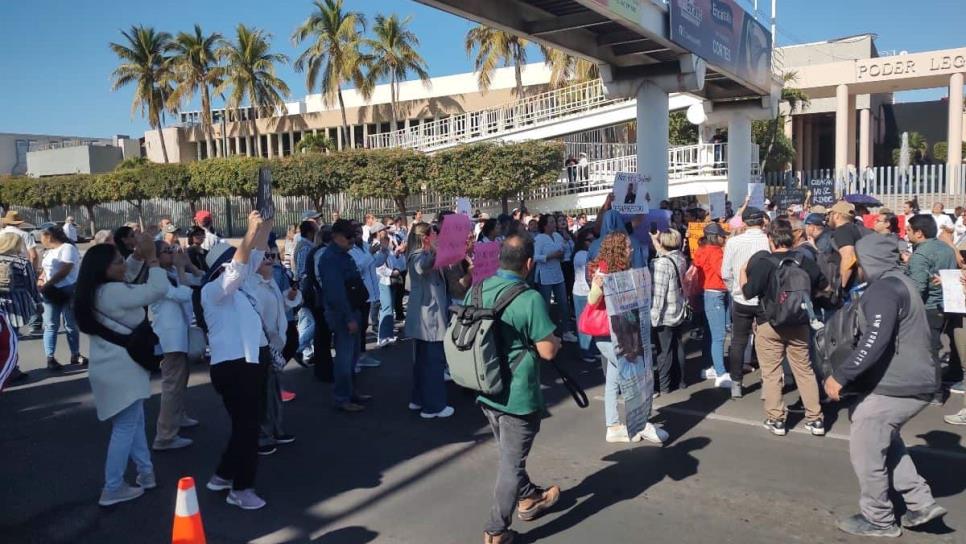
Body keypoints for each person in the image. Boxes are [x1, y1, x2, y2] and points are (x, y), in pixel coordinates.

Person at [824, 234, 947, 537]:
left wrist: (842, 375)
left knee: (866, 445)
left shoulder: (883, 290)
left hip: (900, 384)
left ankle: (878, 519)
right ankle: (920, 503)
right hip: (915, 381)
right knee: (882, 436)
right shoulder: (899, 282)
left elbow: (874, 340)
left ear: (869, 260)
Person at [477, 234, 562, 544]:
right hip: (518, 394)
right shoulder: (529, 298)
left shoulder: (481, 287)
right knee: (511, 464)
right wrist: (557, 341)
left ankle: (528, 498)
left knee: (510, 455)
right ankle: (495, 530)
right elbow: (548, 351)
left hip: (486, 387)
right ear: (528, 264)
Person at [74, 237, 170, 506]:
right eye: (118, 261)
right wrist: (152, 259)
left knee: (133, 423)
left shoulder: (96, 290)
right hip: (122, 369)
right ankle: (112, 487)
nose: (123, 265)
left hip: (111, 367)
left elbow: (128, 272)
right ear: (104, 268)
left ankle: (145, 473)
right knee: (126, 427)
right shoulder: (113, 292)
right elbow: (157, 289)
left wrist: (138, 256)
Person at [200, 211, 274, 510]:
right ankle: (240, 489)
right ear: (221, 266)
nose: (242, 263)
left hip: (251, 365)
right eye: (232, 260)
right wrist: (248, 232)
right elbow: (239, 265)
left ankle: (222, 476)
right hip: (234, 369)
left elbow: (254, 253)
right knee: (248, 429)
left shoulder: (242, 289)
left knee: (246, 426)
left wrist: (265, 221)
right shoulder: (211, 291)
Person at [741, 220, 828, 437]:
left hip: (769, 323)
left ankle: (776, 419)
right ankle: (815, 419)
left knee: (771, 373)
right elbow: (824, 285)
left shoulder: (765, 263)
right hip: (799, 322)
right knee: (804, 371)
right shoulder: (803, 260)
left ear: (770, 239)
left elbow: (748, 292)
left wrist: (743, 271)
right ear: (792, 237)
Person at [247, 244, 300, 456]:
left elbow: (282, 307)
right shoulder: (251, 285)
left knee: (274, 391)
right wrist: (269, 339)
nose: (270, 259)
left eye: (272, 255)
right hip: (262, 345)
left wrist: (291, 294)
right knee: (262, 393)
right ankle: (262, 435)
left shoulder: (270, 282)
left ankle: (276, 430)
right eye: (264, 256)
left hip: (275, 345)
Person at [150, 241, 202, 451]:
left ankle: (178, 417)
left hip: (180, 335)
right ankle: (165, 436)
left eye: (172, 250)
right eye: (167, 251)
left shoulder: (170, 271)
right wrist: (181, 268)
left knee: (180, 380)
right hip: (169, 338)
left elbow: (199, 279)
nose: (172, 253)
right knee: (172, 384)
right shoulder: (156, 276)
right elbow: (182, 293)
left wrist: (188, 265)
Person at [318, 219, 371, 413]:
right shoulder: (331, 259)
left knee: (352, 356)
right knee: (344, 357)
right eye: (348, 236)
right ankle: (342, 397)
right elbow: (336, 294)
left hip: (352, 309)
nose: (352, 240)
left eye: (353, 236)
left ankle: (350, 393)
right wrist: (348, 318)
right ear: (335, 236)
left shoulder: (342, 254)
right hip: (343, 314)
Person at [404, 222, 454, 419]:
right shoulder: (419, 256)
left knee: (423, 361)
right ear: (425, 237)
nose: (437, 236)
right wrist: (434, 251)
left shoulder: (423, 254)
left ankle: (418, 399)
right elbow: (422, 267)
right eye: (434, 233)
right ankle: (433, 406)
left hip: (425, 316)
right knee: (433, 361)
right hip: (428, 317)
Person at [906, 214, 956, 405]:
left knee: (927, 350)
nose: (906, 233)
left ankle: (933, 391)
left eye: (909, 230)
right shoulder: (945, 248)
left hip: (927, 308)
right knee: (933, 348)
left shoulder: (920, 255)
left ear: (919, 233)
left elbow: (918, 288)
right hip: (945, 304)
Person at [720, 206, 770, 399]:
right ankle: (768, 383)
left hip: (741, 297)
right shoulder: (768, 240)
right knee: (766, 341)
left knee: (738, 341)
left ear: (744, 222)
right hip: (765, 297)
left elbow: (725, 273)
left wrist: (735, 289)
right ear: (762, 221)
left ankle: (736, 384)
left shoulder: (733, 242)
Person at [37, 225, 85, 370]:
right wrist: (40, 280)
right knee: (51, 325)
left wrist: (48, 284)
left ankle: (75, 354)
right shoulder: (49, 252)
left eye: (41, 236)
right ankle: (50, 358)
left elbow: (65, 270)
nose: (40, 240)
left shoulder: (67, 248)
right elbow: (46, 270)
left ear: (49, 236)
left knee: (70, 324)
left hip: (67, 290)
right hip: (51, 292)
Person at [692, 223, 731, 387]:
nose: (725, 237)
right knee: (719, 336)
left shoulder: (701, 250)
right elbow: (723, 272)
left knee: (710, 334)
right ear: (716, 237)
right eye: (722, 235)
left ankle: (709, 367)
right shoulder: (715, 252)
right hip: (715, 294)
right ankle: (721, 374)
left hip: (707, 293)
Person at [650, 229, 689, 394]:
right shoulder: (679, 257)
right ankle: (680, 380)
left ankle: (665, 385)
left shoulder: (660, 264)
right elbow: (664, 252)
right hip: (678, 308)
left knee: (664, 351)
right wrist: (656, 240)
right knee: (678, 346)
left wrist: (654, 316)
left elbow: (659, 293)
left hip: (665, 313)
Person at [0, 233, 40, 383]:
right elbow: (31, 284)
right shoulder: (21, 262)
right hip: (15, 306)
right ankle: (11, 369)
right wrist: (38, 302)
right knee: (12, 338)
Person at [534, 215, 577, 343]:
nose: (555, 224)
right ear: (545, 225)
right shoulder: (539, 238)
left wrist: (564, 249)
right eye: (552, 222)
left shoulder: (558, 236)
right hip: (545, 275)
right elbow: (535, 256)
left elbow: (566, 250)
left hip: (558, 273)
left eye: (554, 221)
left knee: (564, 303)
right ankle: (547, 334)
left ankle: (566, 331)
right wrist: (549, 256)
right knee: (545, 305)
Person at [349, 222, 382, 370]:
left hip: (370, 291)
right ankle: (355, 357)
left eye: (360, 232)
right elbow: (358, 267)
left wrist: (384, 252)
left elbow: (373, 264)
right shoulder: (350, 249)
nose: (359, 235)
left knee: (363, 326)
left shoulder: (364, 245)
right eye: (356, 232)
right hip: (359, 293)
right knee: (358, 327)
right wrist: (370, 253)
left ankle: (361, 355)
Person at [293, 220, 319, 364]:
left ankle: (307, 352)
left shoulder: (306, 246)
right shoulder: (305, 248)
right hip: (307, 290)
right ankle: (300, 348)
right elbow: (303, 271)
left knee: (305, 321)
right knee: (314, 322)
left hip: (305, 289)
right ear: (310, 232)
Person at [374, 224, 403, 347]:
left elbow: (391, 260)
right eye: (383, 230)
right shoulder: (375, 246)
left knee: (389, 308)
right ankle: (383, 337)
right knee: (386, 307)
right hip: (383, 280)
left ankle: (388, 335)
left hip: (390, 279)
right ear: (377, 232)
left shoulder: (386, 244)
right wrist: (392, 272)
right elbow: (378, 267)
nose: (385, 231)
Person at [827, 200, 866, 292]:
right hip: (857, 283)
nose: (828, 217)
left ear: (837, 215)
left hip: (849, 288)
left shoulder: (842, 230)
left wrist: (841, 288)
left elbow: (848, 258)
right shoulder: (855, 229)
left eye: (830, 214)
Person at [571, 228, 596, 363]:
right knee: (583, 324)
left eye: (593, 239)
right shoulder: (581, 254)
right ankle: (585, 352)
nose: (592, 242)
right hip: (581, 293)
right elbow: (590, 271)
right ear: (582, 241)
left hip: (588, 291)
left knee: (592, 322)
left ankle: (591, 349)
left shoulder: (587, 253)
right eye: (589, 240)